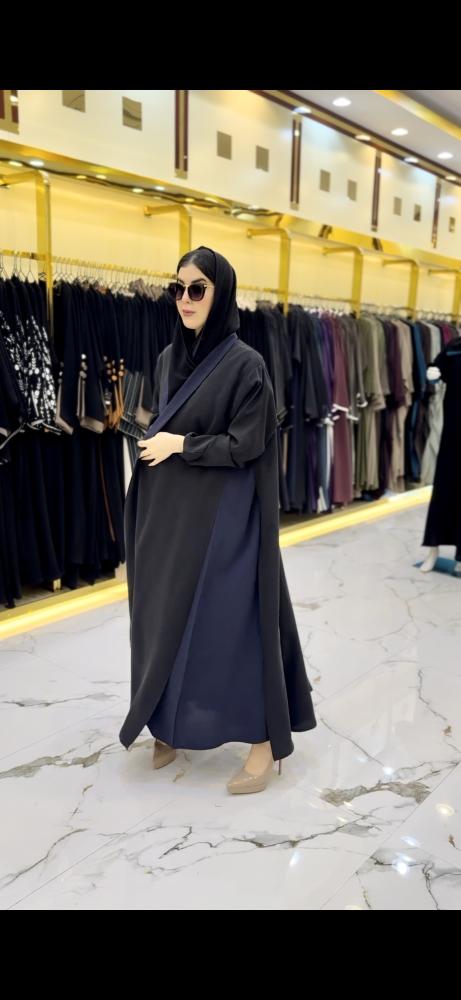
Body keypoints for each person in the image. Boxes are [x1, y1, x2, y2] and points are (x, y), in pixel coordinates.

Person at [119, 246, 316, 793]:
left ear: (220, 292)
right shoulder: (168, 358)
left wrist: (180, 444)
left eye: (197, 289)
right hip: (168, 515)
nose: (184, 299)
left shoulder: (247, 365)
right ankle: (167, 722)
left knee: (235, 623)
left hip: (226, 516)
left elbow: (247, 443)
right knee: (161, 618)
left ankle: (263, 740)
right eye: (177, 288)